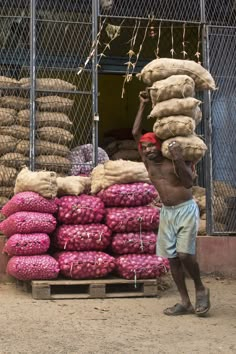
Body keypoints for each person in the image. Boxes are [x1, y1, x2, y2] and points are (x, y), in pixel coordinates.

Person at [132, 90, 210, 317]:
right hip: (167, 212)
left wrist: (177, 158)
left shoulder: (171, 160)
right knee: (173, 258)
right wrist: (143, 104)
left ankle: (200, 288)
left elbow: (187, 183)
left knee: (186, 255)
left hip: (185, 210)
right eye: (144, 148)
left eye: (151, 146)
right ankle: (185, 301)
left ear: (160, 146)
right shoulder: (148, 162)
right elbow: (136, 132)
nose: (147, 150)